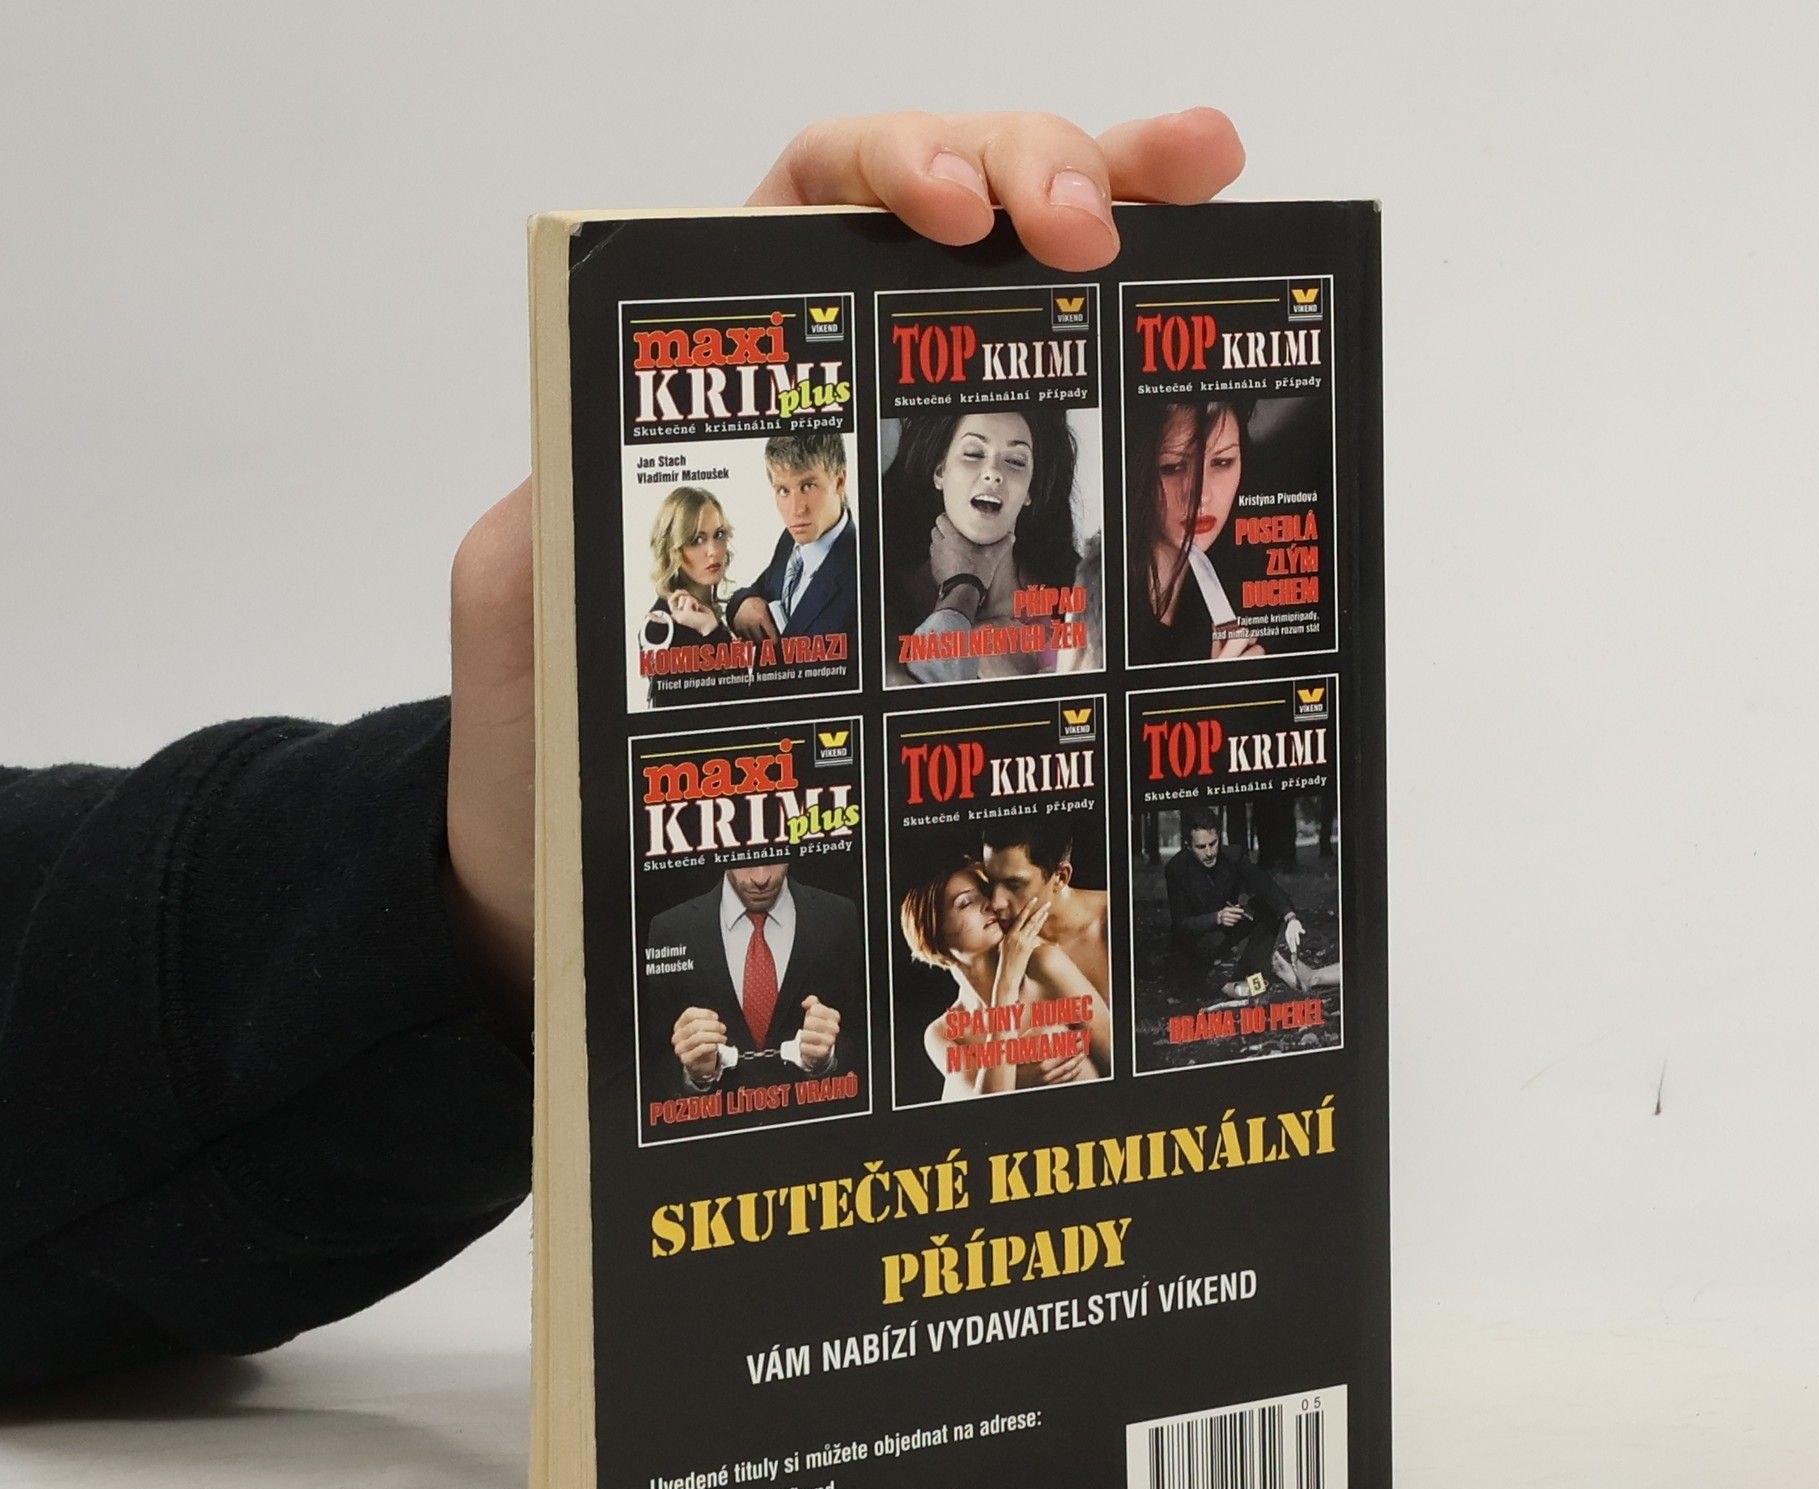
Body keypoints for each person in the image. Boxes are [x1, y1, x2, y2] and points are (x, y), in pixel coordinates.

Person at [0, 106, 1247, 1399]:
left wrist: (480, 894)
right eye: (972, 449)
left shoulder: (1070, 614)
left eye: (1019, 456)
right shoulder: (846, 629)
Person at [885, 405, 1086, 681]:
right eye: (974, 453)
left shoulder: (1072, 598)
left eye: (1015, 461)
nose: (993, 472)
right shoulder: (887, 602)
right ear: (940, 472)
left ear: (1030, 489)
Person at [643, 861, 862, 1102]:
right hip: (715, 1119)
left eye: (772, 858)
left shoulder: (838, 917)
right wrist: (694, 1074)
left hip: (817, 1116)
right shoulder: (670, 930)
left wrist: (828, 1059)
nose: (761, 879)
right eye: (744, 861)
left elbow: (870, 1038)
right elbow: (650, 1061)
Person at [899, 860, 1110, 1099]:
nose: (990, 904)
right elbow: (988, 1108)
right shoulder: (943, 1034)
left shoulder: (1045, 965)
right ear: (933, 931)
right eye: (966, 903)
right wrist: (1006, 986)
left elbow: (1119, 1058)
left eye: (986, 893)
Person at [1128, 397, 1264, 665]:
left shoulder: (1252, 592)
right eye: (1172, 467)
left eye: (1222, 462)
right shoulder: (1101, 605)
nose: (1201, 496)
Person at [1159, 806, 1338, 1001]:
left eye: (1213, 843)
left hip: (1229, 928)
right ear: (1188, 846)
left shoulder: (1232, 856)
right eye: (1201, 847)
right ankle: (1221, 983)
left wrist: (1290, 917)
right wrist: (1216, 917)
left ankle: (1253, 975)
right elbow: (1181, 924)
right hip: (1198, 940)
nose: (1209, 853)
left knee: (1268, 908)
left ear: (1219, 837)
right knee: (1199, 973)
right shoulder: (1177, 869)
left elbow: (1265, 885)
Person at [726, 427, 858, 645]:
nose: (796, 510)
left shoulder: (863, 571)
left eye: (808, 486)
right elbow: (760, 589)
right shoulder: (790, 541)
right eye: (783, 491)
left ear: (839, 482)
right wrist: (743, 603)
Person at [979, 814, 1111, 1004]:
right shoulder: (991, 938)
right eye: (990, 882)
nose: (995, 903)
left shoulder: (1114, 921)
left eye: (1014, 884)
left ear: (1061, 877)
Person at [637, 487, 742, 707]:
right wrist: (712, 633)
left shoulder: (709, 613)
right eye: (697, 540)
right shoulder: (661, 626)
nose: (713, 551)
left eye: (719, 535)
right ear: (673, 549)